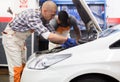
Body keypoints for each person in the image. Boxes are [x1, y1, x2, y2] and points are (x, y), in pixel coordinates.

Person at [2, 1, 77, 82]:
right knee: (16, 69)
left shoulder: (44, 18)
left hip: (20, 41)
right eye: (52, 15)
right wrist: (66, 40)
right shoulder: (33, 16)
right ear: (44, 11)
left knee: (23, 65)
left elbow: (52, 32)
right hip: (11, 40)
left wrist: (63, 42)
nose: (53, 17)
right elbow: (47, 35)